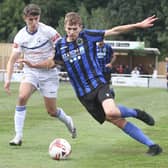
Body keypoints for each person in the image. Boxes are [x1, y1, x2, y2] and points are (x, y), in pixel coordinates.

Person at [19, 12, 162, 156]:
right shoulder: (61, 45)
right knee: (116, 120)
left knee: (111, 112)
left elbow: (114, 30)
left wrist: (138, 25)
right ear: (65, 27)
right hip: (83, 95)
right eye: (69, 28)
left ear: (80, 27)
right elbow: (52, 62)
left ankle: (136, 112)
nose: (72, 32)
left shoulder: (87, 36)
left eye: (75, 28)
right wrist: (33, 64)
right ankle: (153, 146)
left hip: (98, 83)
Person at [4, 4, 76, 146]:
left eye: (36, 19)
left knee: (52, 111)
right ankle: (18, 136)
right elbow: (12, 60)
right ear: (25, 19)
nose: (34, 22)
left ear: (39, 18)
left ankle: (68, 120)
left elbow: (62, 48)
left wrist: (55, 61)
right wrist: (8, 80)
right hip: (31, 72)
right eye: (31, 19)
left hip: (49, 73)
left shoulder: (48, 32)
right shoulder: (20, 36)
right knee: (22, 97)